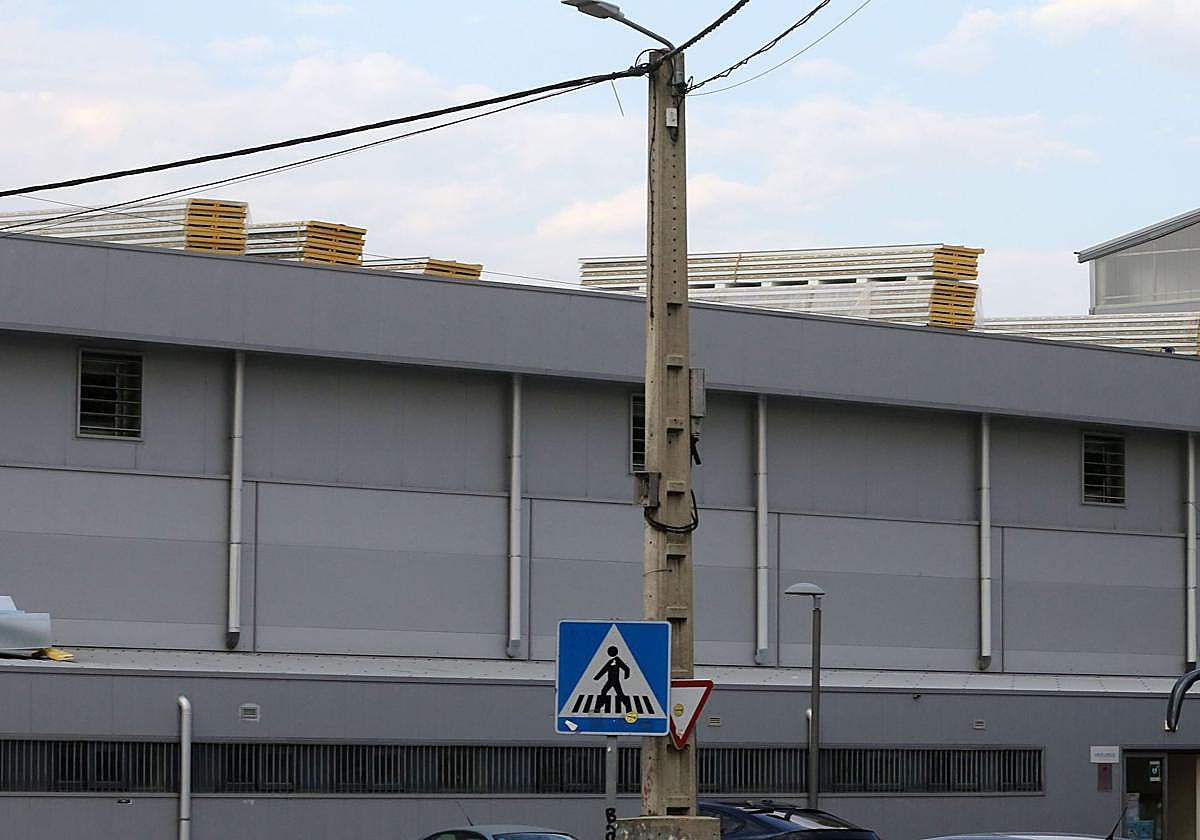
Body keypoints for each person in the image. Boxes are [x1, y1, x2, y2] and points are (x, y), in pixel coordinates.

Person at [593, 645, 631, 713]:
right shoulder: (610, 661)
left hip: (615, 681)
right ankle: (599, 707)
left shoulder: (617, 660)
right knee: (604, 691)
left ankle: (628, 708)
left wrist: (626, 676)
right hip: (610, 680)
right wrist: (597, 677)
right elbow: (604, 670)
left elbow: (626, 668)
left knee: (619, 694)